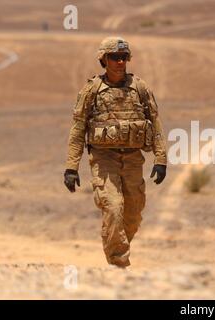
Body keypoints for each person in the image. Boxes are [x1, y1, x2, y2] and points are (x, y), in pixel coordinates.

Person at [64, 36, 167, 268]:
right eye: (114, 57)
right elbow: (78, 129)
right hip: (104, 159)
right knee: (113, 208)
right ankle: (119, 264)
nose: (120, 62)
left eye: (123, 57)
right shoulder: (92, 90)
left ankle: (117, 247)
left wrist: (161, 159)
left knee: (133, 213)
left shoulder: (140, 88)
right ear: (104, 59)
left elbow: (156, 123)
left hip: (133, 159)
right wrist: (71, 167)